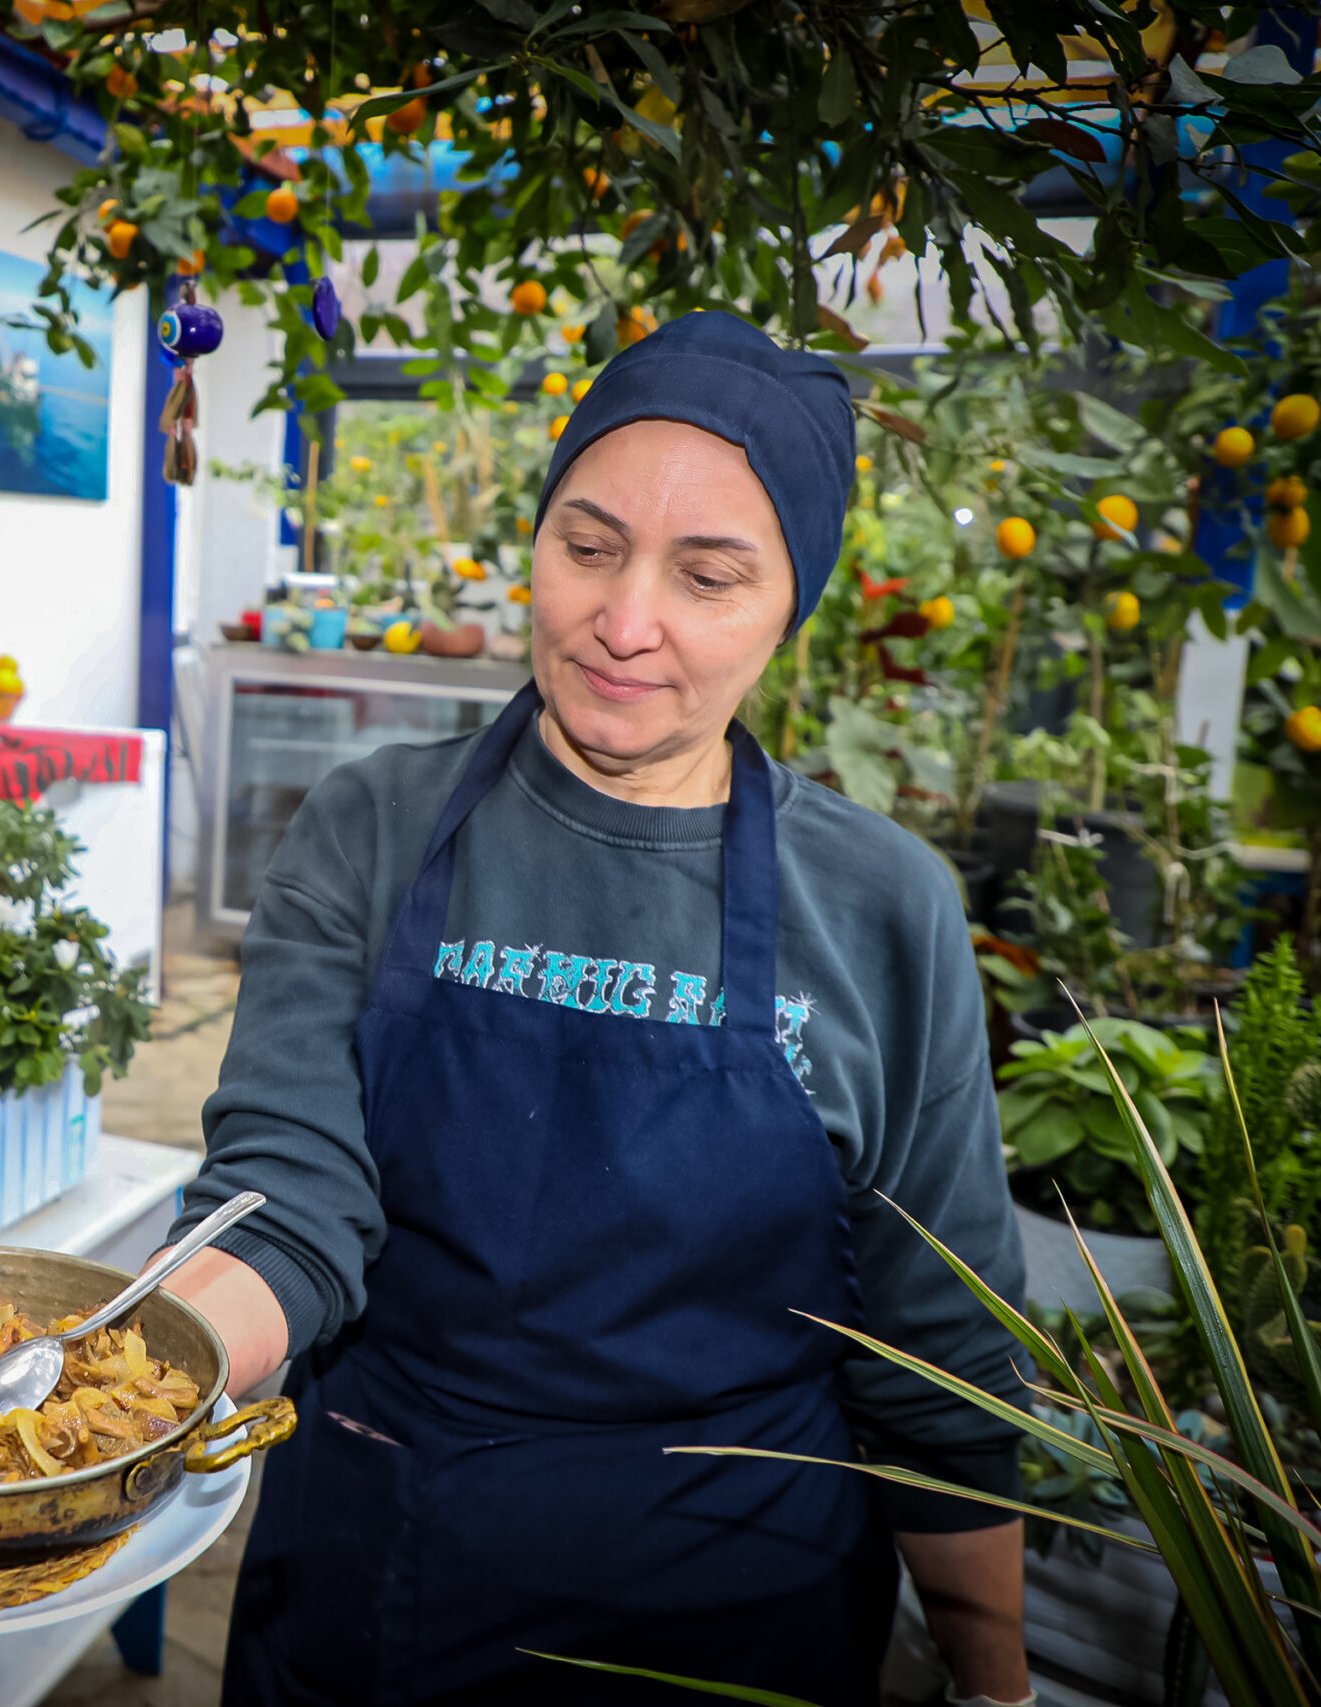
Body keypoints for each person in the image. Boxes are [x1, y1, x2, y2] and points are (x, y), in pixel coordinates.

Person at [161, 313, 1031, 1705]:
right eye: (589, 545)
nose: (626, 624)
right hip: (384, 1583)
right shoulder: (370, 827)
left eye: (709, 575)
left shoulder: (883, 907)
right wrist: (137, 1379)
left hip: (740, 1623)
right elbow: (287, 1198)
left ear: (788, 604)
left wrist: (994, 1683)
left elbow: (940, 1354)